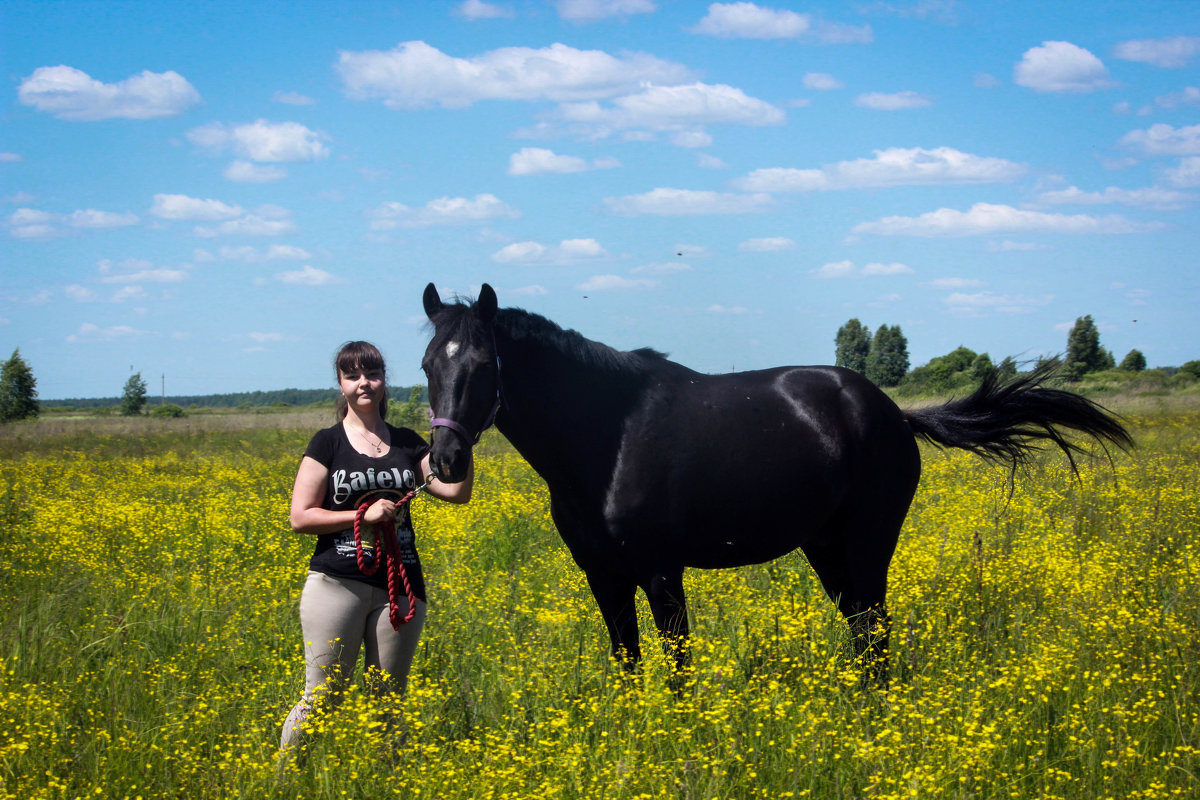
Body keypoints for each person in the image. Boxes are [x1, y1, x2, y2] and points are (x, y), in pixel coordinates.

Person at [280, 340, 472, 753]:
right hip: (338, 582)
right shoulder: (327, 443)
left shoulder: (407, 443)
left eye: (372, 375)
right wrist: (360, 517)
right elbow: (301, 517)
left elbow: (455, 493)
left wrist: (463, 437)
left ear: (384, 381)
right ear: (341, 384)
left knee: (388, 701)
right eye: (353, 376)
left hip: (400, 586)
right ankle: (283, 783)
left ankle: (387, 783)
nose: (364, 384)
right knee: (323, 697)